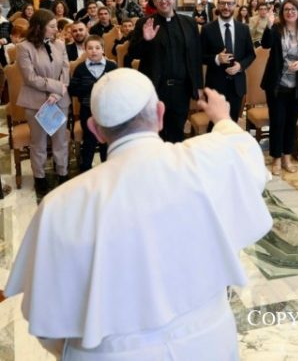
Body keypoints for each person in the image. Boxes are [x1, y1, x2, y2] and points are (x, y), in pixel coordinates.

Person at [4, 68, 272, 360]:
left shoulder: (59, 206)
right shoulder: (206, 159)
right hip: (209, 344)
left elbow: (46, 323)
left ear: (95, 130)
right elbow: (246, 154)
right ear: (160, 114)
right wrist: (222, 118)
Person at [128, 0, 203, 143]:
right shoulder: (144, 23)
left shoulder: (189, 23)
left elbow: (196, 56)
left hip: (181, 90)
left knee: (177, 134)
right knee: (156, 135)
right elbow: (132, 54)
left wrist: (198, 86)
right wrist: (146, 40)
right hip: (156, 89)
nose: (163, 1)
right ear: (154, 2)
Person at [15, 9, 70, 198]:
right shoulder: (24, 47)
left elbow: (65, 70)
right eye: (52, 26)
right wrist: (57, 87)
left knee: (60, 140)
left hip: (60, 100)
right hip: (36, 102)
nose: (56, 30)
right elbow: (30, 78)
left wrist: (58, 92)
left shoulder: (60, 44)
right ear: (39, 27)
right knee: (38, 143)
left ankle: (63, 173)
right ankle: (40, 178)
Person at [260, 0, 298, 175]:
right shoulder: (277, 29)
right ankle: (276, 158)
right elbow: (265, 44)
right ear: (282, 13)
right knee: (277, 122)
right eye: (286, 9)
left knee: (291, 123)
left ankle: (287, 156)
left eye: (293, 9)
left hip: (297, 85)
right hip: (277, 84)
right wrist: (269, 25)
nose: (290, 12)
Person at [201, 0, 255, 123]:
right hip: (215, 86)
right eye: (223, 3)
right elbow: (199, 56)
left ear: (235, 5)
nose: (226, 7)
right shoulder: (207, 29)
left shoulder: (243, 28)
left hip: (237, 86)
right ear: (218, 5)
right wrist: (216, 59)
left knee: (232, 124)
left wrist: (240, 66)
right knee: (215, 125)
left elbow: (251, 54)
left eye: (229, 3)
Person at [69, 35, 117, 171]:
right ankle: (86, 169)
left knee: (105, 140)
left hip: (107, 110)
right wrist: (92, 86)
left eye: (97, 48)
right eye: (90, 48)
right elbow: (72, 90)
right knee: (89, 139)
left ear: (103, 50)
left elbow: (118, 87)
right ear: (85, 50)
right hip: (87, 110)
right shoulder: (80, 69)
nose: (94, 51)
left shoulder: (112, 66)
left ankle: (107, 168)